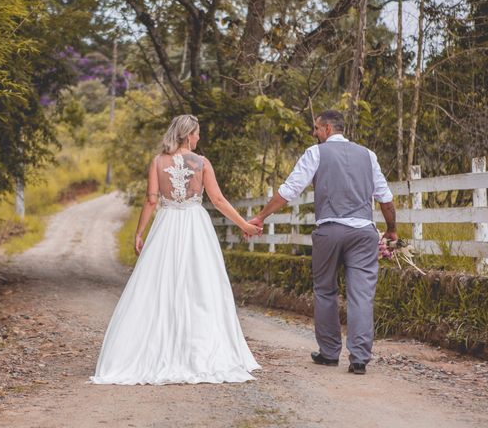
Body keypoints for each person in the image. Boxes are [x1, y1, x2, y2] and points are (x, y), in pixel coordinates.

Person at [90, 114, 261, 385]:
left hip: (166, 226)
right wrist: (245, 225)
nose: (199, 137)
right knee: (201, 285)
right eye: (197, 133)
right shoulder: (202, 163)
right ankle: (200, 350)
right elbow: (217, 199)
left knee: (158, 285)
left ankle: (147, 350)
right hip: (195, 225)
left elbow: (150, 200)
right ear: (187, 134)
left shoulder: (158, 161)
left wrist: (139, 232)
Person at [248, 110, 397, 375]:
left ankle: (329, 353)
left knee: (326, 291)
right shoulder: (368, 155)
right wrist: (392, 230)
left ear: (327, 128)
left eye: (316, 128)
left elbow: (289, 190)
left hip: (329, 231)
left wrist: (261, 216)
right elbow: (385, 197)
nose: (314, 133)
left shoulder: (316, 153)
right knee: (361, 295)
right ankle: (360, 358)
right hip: (364, 233)